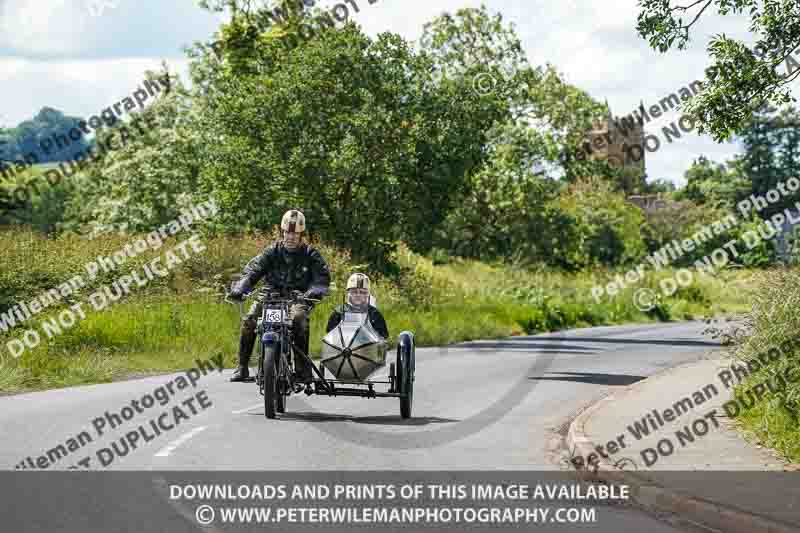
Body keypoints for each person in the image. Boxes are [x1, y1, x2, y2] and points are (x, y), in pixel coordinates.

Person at [228, 209, 331, 383]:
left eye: (295, 234)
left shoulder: (310, 254)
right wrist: (240, 288)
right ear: (282, 232)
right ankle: (242, 367)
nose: (290, 237)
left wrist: (314, 291)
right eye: (287, 233)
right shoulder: (272, 251)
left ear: (301, 235)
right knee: (249, 320)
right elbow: (253, 271)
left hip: (298, 298)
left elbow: (322, 277)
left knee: (299, 319)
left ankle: (302, 368)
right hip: (270, 295)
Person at [326, 273, 389, 339]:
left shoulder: (374, 313)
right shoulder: (339, 312)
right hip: (343, 347)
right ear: (348, 293)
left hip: (367, 347)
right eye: (354, 292)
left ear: (367, 295)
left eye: (362, 292)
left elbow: (383, 336)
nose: (358, 295)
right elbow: (330, 335)